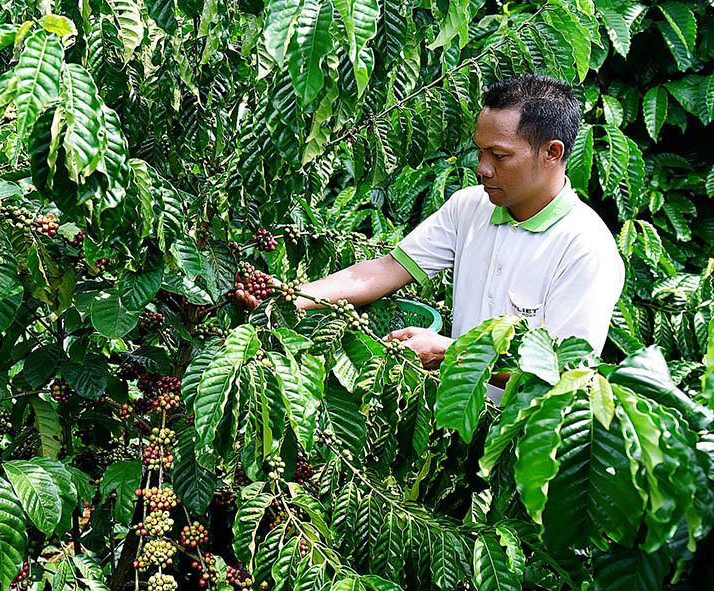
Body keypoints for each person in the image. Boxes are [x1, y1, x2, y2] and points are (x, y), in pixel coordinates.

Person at [236, 74, 624, 393]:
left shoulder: (586, 249)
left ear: (551, 153)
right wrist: (291, 298)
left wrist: (449, 353)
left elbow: (563, 377)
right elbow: (386, 269)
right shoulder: (471, 207)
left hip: (523, 450)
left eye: (500, 156)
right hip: (450, 436)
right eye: (480, 152)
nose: (483, 168)